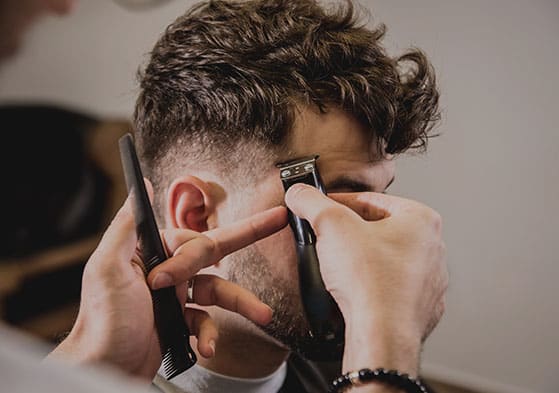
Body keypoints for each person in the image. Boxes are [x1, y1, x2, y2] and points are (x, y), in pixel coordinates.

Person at [48, 1, 448, 392]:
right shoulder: (381, 366)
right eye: (341, 202)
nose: (378, 243)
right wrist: (388, 347)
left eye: (378, 203)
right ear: (198, 216)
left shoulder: (354, 371)